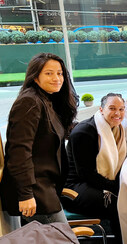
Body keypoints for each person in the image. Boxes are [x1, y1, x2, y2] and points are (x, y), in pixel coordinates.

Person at [0, 53, 78, 224]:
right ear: (35, 77)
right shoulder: (30, 102)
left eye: (59, 73)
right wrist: (26, 194)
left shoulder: (46, 100)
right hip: (36, 192)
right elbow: (19, 152)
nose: (56, 78)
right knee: (62, 239)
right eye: (49, 73)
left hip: (46, 188)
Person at [63, 93, 126, 242]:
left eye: (121, 109)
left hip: (93, 182)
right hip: (74, 188)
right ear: (101, 109)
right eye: (112, 108)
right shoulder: (84, 132)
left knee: (126, 197)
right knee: (120, 204)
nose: (118, 113)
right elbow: (86, 174)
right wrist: (116, 187)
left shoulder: (116, 129)